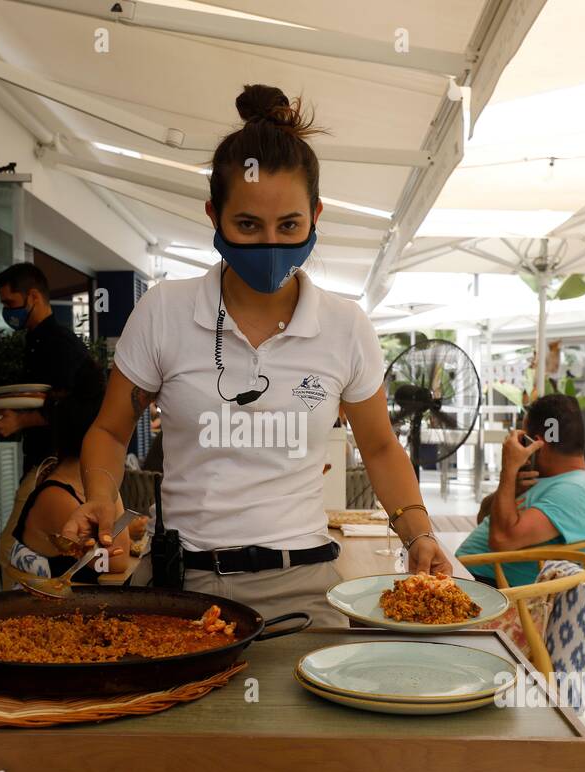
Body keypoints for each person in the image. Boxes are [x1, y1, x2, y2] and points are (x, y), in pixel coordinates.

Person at [61, 84, 449, 626]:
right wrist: (101, 494)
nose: (271, 243)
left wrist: (420, 533)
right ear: (213, 216)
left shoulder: (345, 326)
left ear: (316, 215)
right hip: (180, 586)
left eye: (289, 225)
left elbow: (381, 447)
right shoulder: (163, 312)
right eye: (247, 225)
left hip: (304, 584)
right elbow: (109, 431)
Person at [457, 393, 585, 587]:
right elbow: (484, 518)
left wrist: (509, 469)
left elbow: (501, 540)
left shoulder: (575, 492)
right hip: (474, 580)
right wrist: (510, 488)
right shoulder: (555, 481)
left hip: (487, 591)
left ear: (536, 443)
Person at [11, 377, 144, 581]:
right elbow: (116, 561)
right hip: (53, 610)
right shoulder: (57, 497)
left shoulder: (76, 486)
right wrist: (109, 479)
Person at [0, 262, 104, 472]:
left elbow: (66, 403)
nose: (7, 311)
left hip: (57, 462)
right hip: (41, 459)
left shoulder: (59, 343)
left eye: (10, 302)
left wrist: (19, 421)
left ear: (33, 297)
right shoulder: (34, 340)